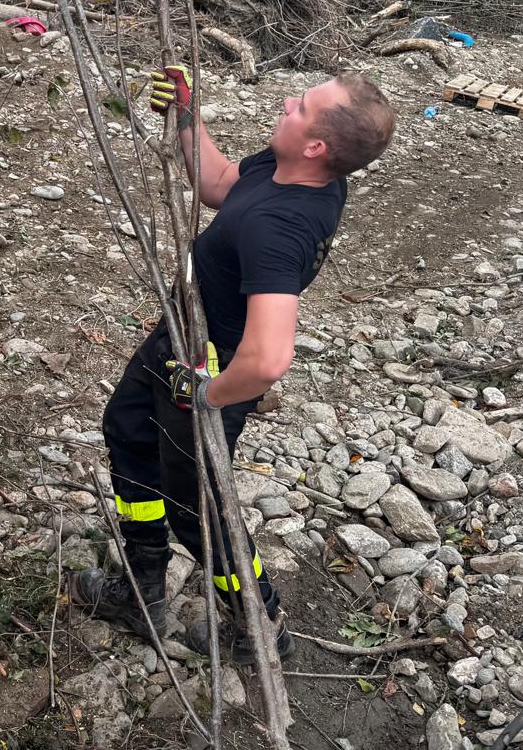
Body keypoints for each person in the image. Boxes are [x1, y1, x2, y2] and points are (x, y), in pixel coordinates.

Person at [68, 68, 396, 661]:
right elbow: (219, 184)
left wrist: (206, 395)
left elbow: (268, 358)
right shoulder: (286, 169)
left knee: (196, 510)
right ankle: (143, 587)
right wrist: (185, 115)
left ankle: (260, 624)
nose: (287, 103)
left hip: (207, 373)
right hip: (178, 342)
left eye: (300, 107)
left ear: (316, 146)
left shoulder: (279, 228)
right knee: (127, 430)